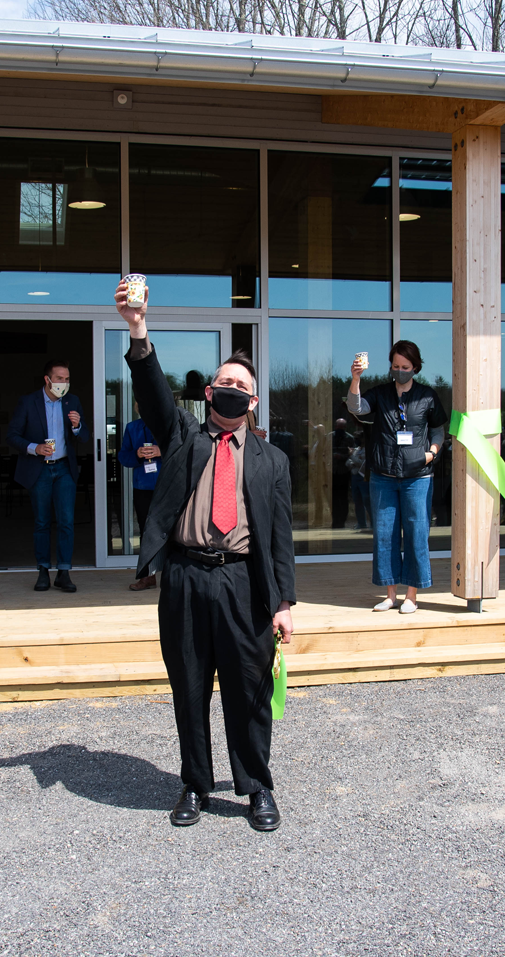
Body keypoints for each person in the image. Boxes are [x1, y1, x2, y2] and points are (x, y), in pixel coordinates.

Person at [116, 278, 295, 832]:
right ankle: (194, 784)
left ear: (254, 399)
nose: (231, 389)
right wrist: (138, 330)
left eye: (241, 384)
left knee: (249, 692)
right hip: (187, 581)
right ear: (209, 392)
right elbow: (152, 392)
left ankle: (256, 787)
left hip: (244, 585)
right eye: (224, 382)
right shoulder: (183, 439)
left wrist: (284, 602)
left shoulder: (273, 461)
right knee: (189, 688)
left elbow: (281, 539)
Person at [348, 342, 448, 614]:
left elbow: (439, 430)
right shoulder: (380, 394)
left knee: (416, 534)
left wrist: (430, 454)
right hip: (383, 476)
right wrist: (356, 378)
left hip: (418, 476)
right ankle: (390, 594)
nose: (400, 371)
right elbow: (356, 408)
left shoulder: (427, 396)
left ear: (415, 367)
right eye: (395, 367)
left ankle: (411, 596)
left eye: (405, 367)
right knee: (385, 535)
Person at [6, 359, 90, 593]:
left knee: (66, 521)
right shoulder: (28, 402)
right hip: (39, 468)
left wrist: (77, 425)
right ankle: (43, 571)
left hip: (64, 468)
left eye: (67, 379)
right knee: (42, 522)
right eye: (60, 378)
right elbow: (12, 435)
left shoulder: (72, 401)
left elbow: (84, 437)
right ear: (48, 379)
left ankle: (63, 572)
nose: (64, 383)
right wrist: (35, 447)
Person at [117, 400, 162, 591]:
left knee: (174, 531)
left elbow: (185, 450)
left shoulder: (168, 426)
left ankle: (175, 576)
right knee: (145, 531)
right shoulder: (132, 428)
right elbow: (123, 457)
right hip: (142, 487)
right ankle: (147, 576)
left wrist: (161, 450)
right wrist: (137, 454)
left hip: (167, 485)